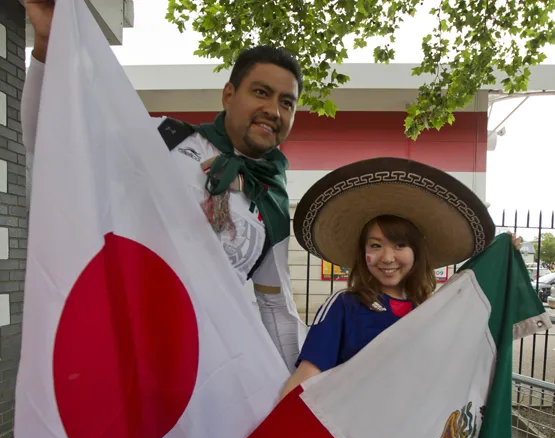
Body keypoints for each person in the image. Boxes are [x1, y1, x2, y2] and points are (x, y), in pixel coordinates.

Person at [22, 0, 305, 376]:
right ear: (228, 95)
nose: (274, 109)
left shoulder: (272, 200)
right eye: (261, 92)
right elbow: (53, 143)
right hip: (119, 359)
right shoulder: (164, 138)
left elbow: (275, 310)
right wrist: (47, 43)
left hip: (205, 379)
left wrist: (294, 396)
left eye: (287, 102)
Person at [283, 156, 522, 397]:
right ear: (362, 252)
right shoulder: (344, 306)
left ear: (416, 252)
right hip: (350, 432)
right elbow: (304, 381)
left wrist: (505, 258)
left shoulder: (429, 310)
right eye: (375, 246)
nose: (387, 258)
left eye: (400, 245)